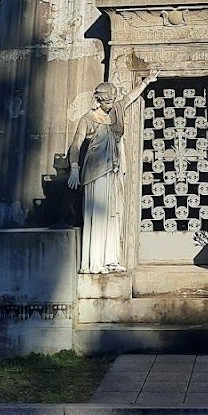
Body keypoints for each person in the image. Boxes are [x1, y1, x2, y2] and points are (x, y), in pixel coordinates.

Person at [68, 74, 157, 273]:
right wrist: (74, 168)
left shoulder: (116, 110)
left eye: (111, 100)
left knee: (113, 215)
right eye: (106, 101)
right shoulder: (87, 119)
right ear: (98, 100)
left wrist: (144, 82)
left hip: (114, 169)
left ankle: (111, 259)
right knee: (98, 215)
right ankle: (95, 261)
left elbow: (129, 98)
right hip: (95, 171)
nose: (110, 104)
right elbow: (76, 144)